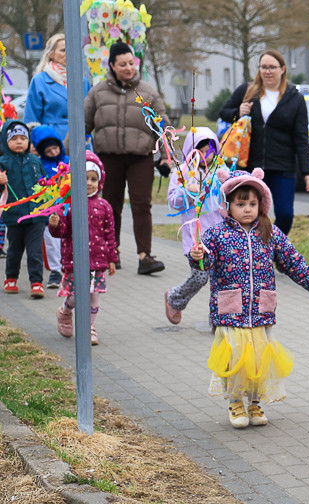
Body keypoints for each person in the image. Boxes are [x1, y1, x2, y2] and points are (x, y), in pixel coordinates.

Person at [189, 168, 309, 428]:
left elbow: (292, 261)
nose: (247, 209)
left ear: (261, 204)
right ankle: (234, 403)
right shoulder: (216, 234)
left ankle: (254, 404)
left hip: (261, 311)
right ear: (227, 206)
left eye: (252, 203)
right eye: (240, 204)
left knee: (257, 361)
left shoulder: (270, 232)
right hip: (230, 311)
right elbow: (203, 265)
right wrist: (197, 256)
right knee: (234, 359)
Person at [84, 41, 169, 275]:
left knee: (142, 205)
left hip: (140, 157)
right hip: (108, 158)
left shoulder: (148, 92)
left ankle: (145, 256)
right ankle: (113, 253)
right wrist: (72, 154)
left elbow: (162, 125)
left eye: (131, 63)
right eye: (122, 64)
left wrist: (166, 157)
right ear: (112, 65)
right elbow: (83, 123)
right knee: (110, 206)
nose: (128, 68)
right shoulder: (97, 92)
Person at [219, 49, 309, 236]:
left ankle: (271, 246)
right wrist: (238, 111)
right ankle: (252, 252)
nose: (267, 71)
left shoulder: (295, 98)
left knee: (285, 214)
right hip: (251, 166)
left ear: (282, 69)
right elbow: (224, 112)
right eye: (264, 67)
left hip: (283, 166)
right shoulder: (247, 91)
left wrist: (307, 171)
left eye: (272, 67)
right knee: (250, 214)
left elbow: (301, 136)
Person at [50, 152, 116, 345]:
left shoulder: (105, 206)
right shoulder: (67, 205)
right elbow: (62, 231)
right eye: (85, 178)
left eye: (94, 179)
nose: (89, 183)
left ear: (100, 182)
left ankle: (89, 327)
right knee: (75, 296)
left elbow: (110, 234)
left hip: (97, 262)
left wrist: (112, 258)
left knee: (93, 296)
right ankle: (65, 311)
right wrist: (55, 224)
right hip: (74, 260)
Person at [164, 128, 224, 324]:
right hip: (196, 238)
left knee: (222, 279)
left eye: (211, 151)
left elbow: (232, 194)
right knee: (200, 277)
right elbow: (173, 202)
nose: (207, 156)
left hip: (221, 237)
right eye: (202, 151)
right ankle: (174, 298)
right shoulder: (183, 173)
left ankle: (218, 318)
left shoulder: (220, 172)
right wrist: (186, 191)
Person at [1, 120, 48, 298]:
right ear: (6, 141)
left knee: (34, 251)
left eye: (23, 138)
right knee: (14, 249)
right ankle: (11, 278)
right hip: (14, 216)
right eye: (14, 138)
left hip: (36, 215)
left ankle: (36, 282)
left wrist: (47, 203)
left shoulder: (35, 160)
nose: (19, 142)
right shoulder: (3, 163)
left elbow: (44, 184)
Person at [24, 33, 91, 142]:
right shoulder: (40, 81)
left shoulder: (82, 81)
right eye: (63, 50)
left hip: (81, 142)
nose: (68, 53)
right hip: (51, 142)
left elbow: (90, 116)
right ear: (51, 54)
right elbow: (31, 119)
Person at [31, 124, 70, 288]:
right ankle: (55, 270)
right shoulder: (40, 165)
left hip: (69, 208)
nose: (53, 153)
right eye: (48, 151)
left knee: (69, 238)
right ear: (41, 152)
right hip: (50, 210)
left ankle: (70, 267)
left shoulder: (68, 160)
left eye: (55, 148)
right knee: (51, 240)